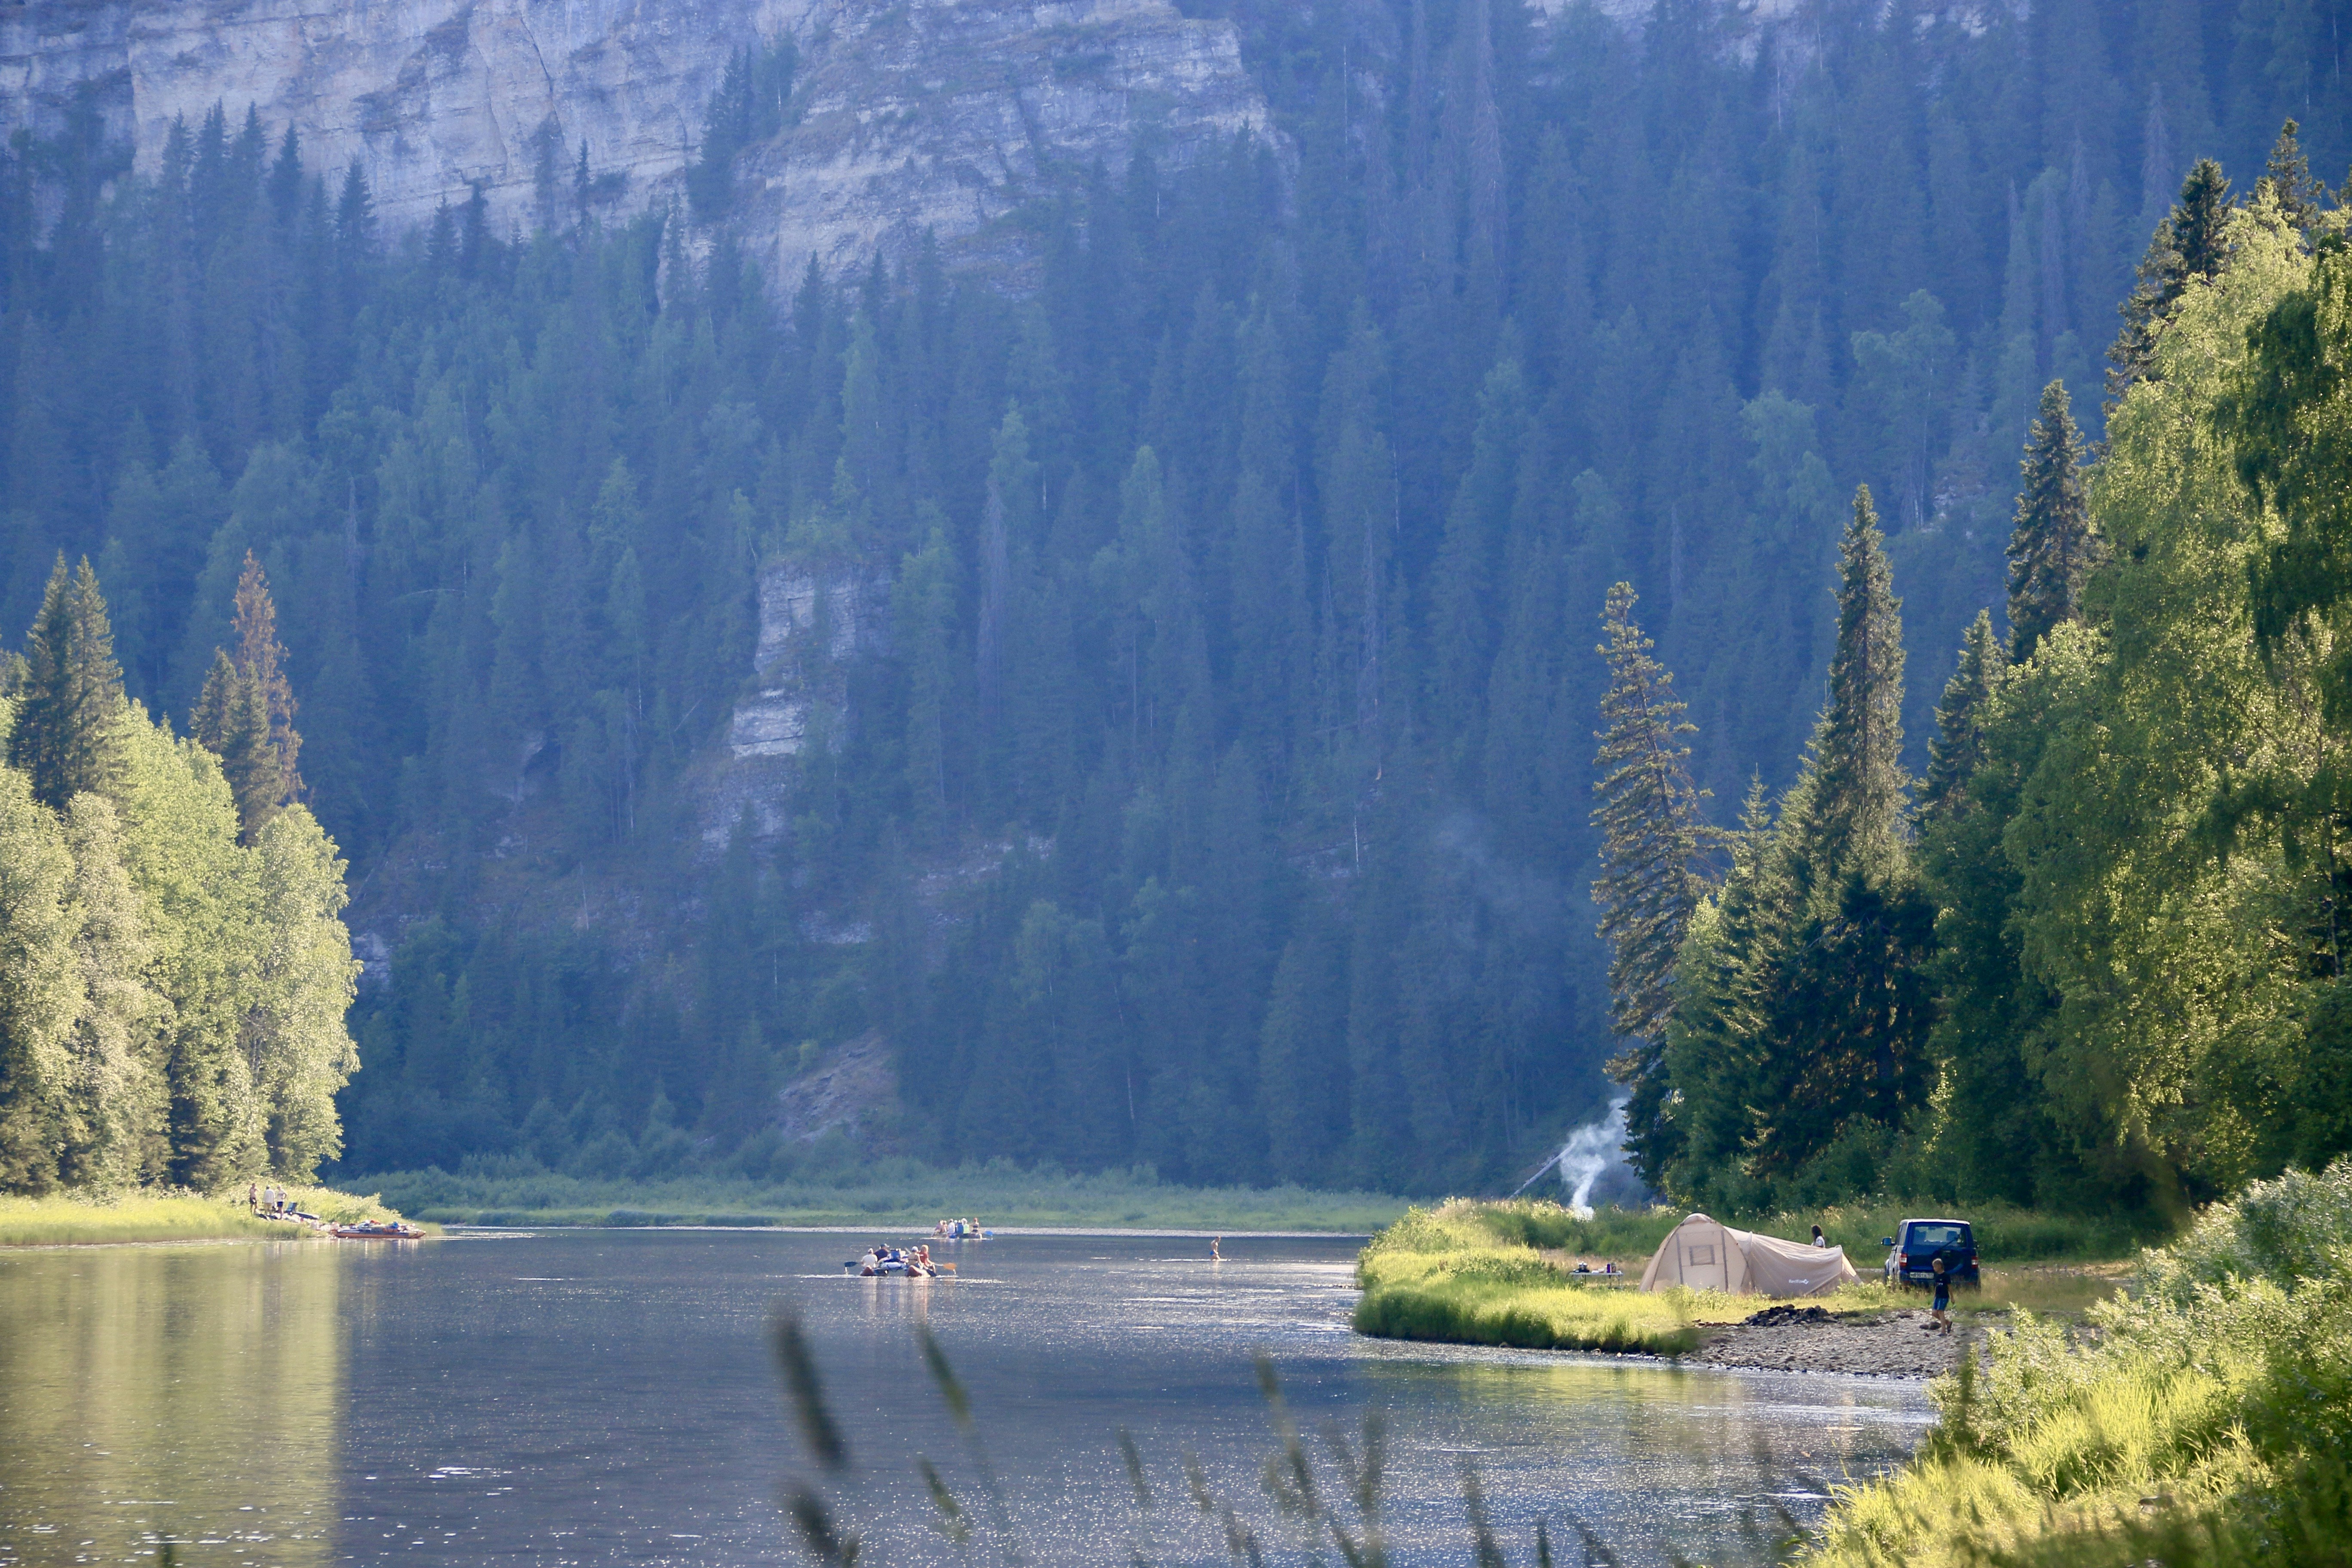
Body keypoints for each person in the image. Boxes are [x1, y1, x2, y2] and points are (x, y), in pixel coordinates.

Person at [1927, 1255, 1954, 1336]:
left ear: (1940, 1266)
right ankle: (1948, 1323)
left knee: (1941, 1312)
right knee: (1934, 1313)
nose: (1934, 1269)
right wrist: (1934, 1296)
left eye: (1935, 1267)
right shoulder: (1937, 1276)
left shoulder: (1946, 1276)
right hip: (1938, 1297)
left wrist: (1952, 1297)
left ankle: (1943, 1331)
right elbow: (1937, 1287)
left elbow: (1949, 1287)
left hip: (1944, 1297)